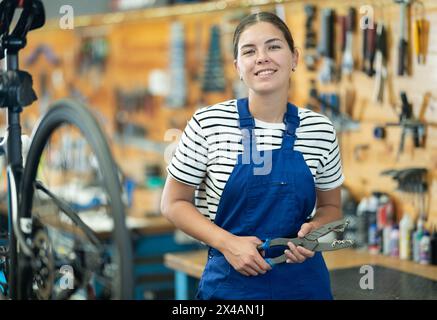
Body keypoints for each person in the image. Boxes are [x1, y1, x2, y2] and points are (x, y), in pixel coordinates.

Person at [161, 11, 344, 300]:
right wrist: (227, 243)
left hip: (305, 286)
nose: (262, 57)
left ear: (294, 58)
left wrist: (314, 232)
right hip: (231, 288)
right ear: (237, 66)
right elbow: (173, 203)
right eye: (249, 51)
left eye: (273, 46)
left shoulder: (320, 129)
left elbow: (332, 208)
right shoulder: (208, 124)